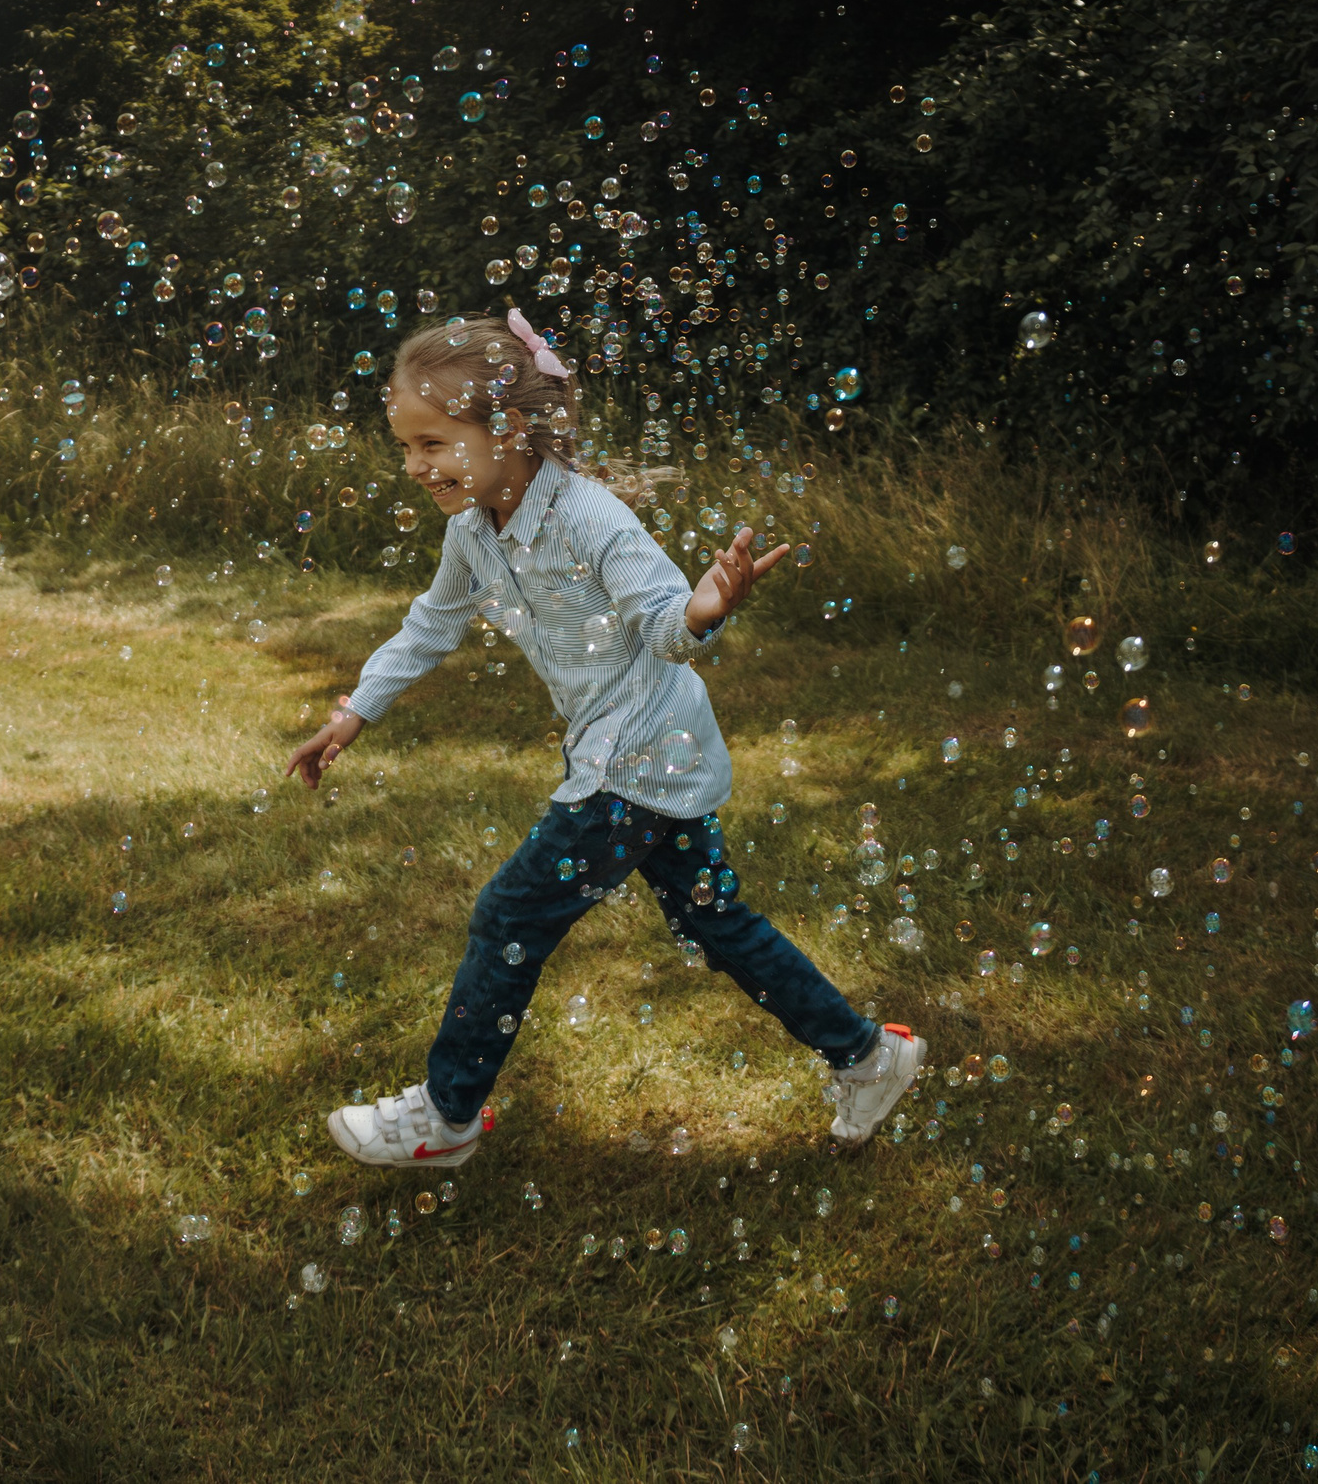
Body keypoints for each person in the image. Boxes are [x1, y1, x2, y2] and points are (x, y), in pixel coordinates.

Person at [283, 309, 924, 1168]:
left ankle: (447, 1114)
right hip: (644, 751)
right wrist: (356, 710)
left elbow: (663, 622)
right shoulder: (473, 532)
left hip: (637, 754)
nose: (415, 466)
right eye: (406, 447)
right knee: (717, 923)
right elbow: (430, 624)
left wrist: (703, 609)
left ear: (505, 426)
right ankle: (869, 1056)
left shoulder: (591, 519)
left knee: (510, 913)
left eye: (433, 443)